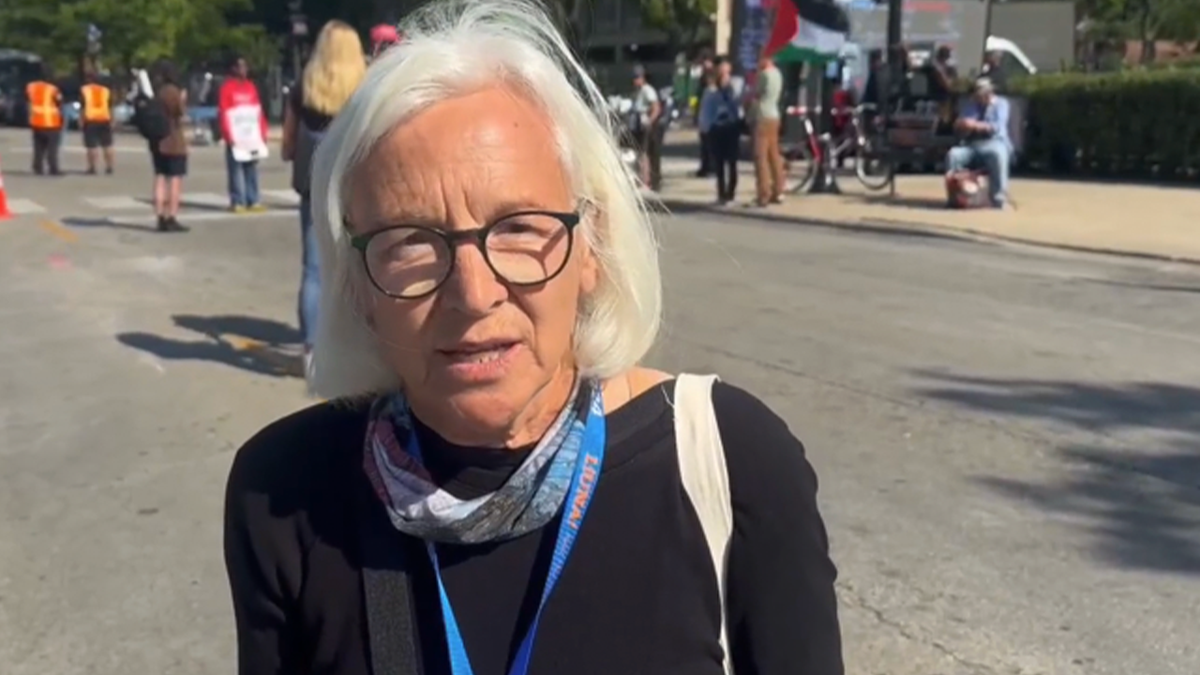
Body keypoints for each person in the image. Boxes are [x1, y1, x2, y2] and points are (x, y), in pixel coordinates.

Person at [223, 1, 844, 674]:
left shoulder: (731, 461)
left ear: (592, 248)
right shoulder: (286, 493)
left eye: (518, 226)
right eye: (411, 241)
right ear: (355, 286)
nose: (473, 292)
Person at [281, 20, 366, 370]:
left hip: (313, 188)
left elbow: (287, 147)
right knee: (359, 266)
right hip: (356, 188)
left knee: (314, 270)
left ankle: (311, 350)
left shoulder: (303, 89)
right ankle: (356, 343)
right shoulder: (365, 88)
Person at [946, 77, 1012, 209]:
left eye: (980, 94)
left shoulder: (1001, 104)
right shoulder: (972, 105)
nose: (977, 97)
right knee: (953, 155)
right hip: (972, 144)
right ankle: (955, 197)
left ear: (988, 93)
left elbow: (996, 127)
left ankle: (999, 199)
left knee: (998, 154)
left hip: (994, 142)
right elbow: (962, 122)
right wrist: (960, 124)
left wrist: (974, 125)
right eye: (976, 94)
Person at [218, 56, 269, 212]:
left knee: (251, 168)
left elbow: (257, 111)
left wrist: (263, 132)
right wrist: (228, 135)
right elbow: (224, 112)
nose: (244, 69)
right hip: (235, 137)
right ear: (233, 69)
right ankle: (238, 200)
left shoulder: (250, 87)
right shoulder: (227, 88)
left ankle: (253, 199)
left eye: (245, 66)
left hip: (251, 136)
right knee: (236, 170)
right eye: (240, 66)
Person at [149, 61, 189, 232]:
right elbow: (179, 113)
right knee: (175, 180)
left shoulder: (157, 92)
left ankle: (159, 216)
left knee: (159, 177)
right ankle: (171, 216)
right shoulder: (173, 92)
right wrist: (183, 100)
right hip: (173, 141)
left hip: (157, 140)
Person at [699, 57, 743, 205]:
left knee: (732, 162)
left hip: (731, 127)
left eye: (727, 72)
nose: (724, 75)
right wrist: (706, 127)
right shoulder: (711, 91)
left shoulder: (734, 88)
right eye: (722, 72)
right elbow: (705, 111)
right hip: (717, 128)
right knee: (719, 163)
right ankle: (721, 193)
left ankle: (730, 194)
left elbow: (739, 106)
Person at [751, 53, 785, 206]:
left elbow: (757, 95)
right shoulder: (778, 74)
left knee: (761, 156)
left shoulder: (764, 75)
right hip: (774, 115)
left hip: (762, 115)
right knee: (774, 154)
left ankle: (763, 193)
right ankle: (778, 189)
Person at [26, 64, 63, 176]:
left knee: (38, 146)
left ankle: (38, 167)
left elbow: (29, 100)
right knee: (52, 147)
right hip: (51, 121)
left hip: (36, 120)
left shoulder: (31, 86)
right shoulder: (53, 89)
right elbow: (59, 101)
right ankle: (53, 167)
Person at [630, 64, 661, 190]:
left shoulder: (648, 90)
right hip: (639, 124)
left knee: (645, 153)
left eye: (637, 77)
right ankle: (643, 179)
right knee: (640, 153)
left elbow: (656, 107)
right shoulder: (638, 92)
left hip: (646, 125)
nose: (635, 80)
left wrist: (649, 121)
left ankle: (646, 181)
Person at [80, 72, 115, 175]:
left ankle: (92, 167)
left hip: (91, 119)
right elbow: (110, 106)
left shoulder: (85, 90)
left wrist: (81, 120)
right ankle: (110, 167)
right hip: (105, 118)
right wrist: (112, 120)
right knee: (108, 144)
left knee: (92, 146)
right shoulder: (106, 91)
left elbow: (83, 106)